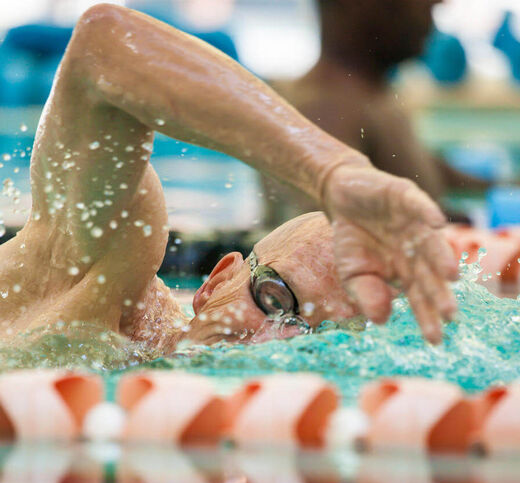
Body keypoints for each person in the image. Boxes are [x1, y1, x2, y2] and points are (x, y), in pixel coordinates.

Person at [0, 4, 458, 353]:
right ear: (216, 281)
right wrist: (333, 169)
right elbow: (103, 45)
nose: (272, 345)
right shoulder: (104, 287)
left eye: (317, 342)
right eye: (275, 300)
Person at [264, 0, 489, 225]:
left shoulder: (371, 95)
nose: (438, 4)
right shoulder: (324, 111)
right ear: (357, 5)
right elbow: (328, 240)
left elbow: (427, 169)